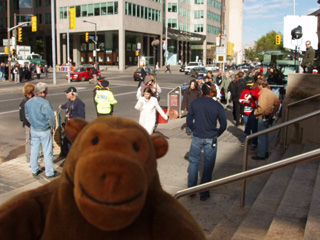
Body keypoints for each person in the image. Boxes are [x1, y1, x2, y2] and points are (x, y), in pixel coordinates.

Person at [186, 82, 227, 201]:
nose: (215, 91)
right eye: (214, 89)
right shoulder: (217, 106)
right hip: (211, 138)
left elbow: (189, 120)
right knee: (208, 165)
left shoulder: (195, 103)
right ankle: (204, 192)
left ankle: (191, 190)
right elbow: (223, 124)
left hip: (197, 137)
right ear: (210, 92)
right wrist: (217, 133)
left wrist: (194, 130)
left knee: (193, 162)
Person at [25, 82, 58, 178]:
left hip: (34, 129)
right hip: (44, 129)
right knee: (47, 151)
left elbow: (27, 115)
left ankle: (34, 169)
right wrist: (52, 126)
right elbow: (51, 117)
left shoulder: (29, 102)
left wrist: (33, 123)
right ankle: (49, 172)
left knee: (34, 149)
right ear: (43, 92)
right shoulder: (45, 103)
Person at [252, 78, 280, 160]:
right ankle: (265, 152)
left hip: (262, 116)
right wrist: (273, 112)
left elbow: (262, 107)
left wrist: (255, 113)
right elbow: (277, 102)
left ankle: (261, 154)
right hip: (268, 115)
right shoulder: (270, 92)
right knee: (266, 135)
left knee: (261, 136)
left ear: (260, 85)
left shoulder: (263, 94)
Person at [59, 86, 85, 155]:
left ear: (73, 93)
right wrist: (61, 106)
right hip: (69, 126)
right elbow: (66, 105)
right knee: (67, 141)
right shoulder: (70, 101)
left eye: (67, 93)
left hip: (74, 127)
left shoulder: (79, 103)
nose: (66, 94)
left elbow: (81, 117)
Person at [239, 79, 260, 147]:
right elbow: (241, 99)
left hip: (254, 111)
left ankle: (254, 142)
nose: (250, 87)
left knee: (254, 127)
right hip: (246, 111)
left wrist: (251, 103)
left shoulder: (257, 91)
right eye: (249, 86)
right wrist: (244, 102)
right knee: (247, 127)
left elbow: (259, 101)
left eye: (251, 85)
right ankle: (246, 140)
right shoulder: (245, 90)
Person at [19, 83, 35, 163]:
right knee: (29, 141)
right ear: (30, 92)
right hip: (29, 125)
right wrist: (30, 125)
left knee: (30, 140)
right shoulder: (26, 102)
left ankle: (31, 158)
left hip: (29, 124)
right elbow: (24, 116)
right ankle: (29, 159)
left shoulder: (26, 100)